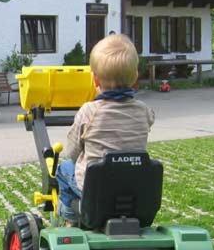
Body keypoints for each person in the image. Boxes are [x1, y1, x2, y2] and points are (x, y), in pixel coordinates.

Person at [56, 34, 154, 226]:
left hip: (96, 189)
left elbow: (73, 152)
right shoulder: (144, 111)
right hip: (134, 189)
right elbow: (148, 122)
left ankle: (70, 217)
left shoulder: (89, 112)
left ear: (95, 80)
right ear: (135, 77)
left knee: (64, 168)